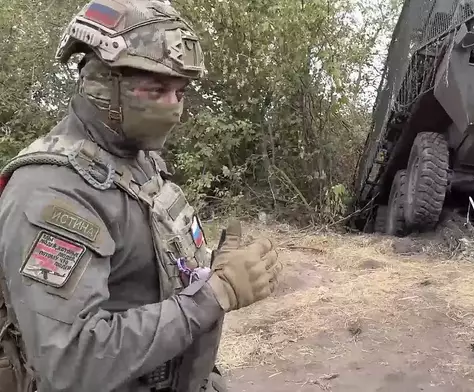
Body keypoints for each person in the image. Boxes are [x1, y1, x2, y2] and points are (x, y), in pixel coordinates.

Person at [0, 0, 282, 391]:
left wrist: (208, 272)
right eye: (156, 89)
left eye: (180, 92)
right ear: (100, 84)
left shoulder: (136, 159)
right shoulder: (52, 190)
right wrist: (217, 293)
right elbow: (71, 361)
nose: (174, 108)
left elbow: (142, 283)